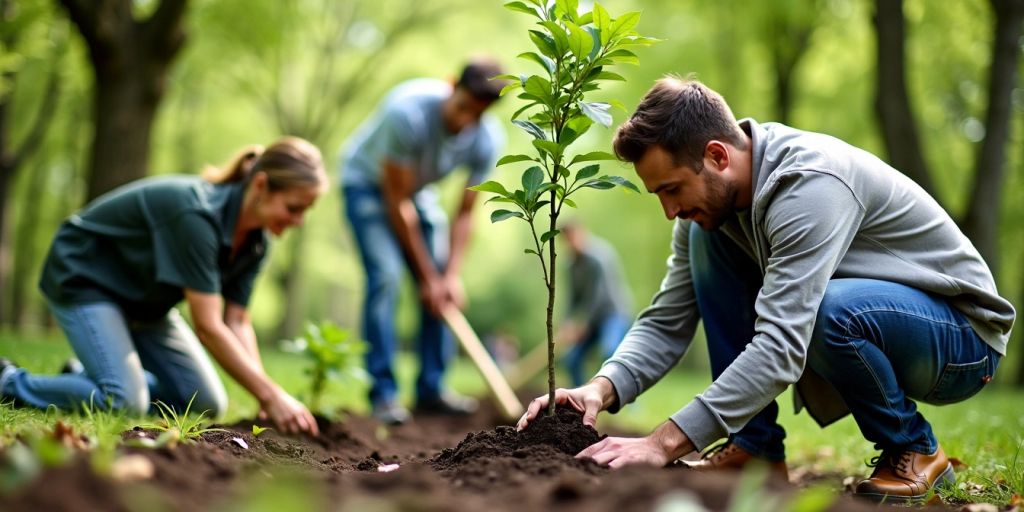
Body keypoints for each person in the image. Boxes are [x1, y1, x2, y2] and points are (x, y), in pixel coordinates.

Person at [517, 78, 1014, 503]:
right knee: (708, 244)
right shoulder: (707, 213)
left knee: (825, 311)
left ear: (716, 156)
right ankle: (753, 448)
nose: (668, 211)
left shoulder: (809, 185)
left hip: (961, 338)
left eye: (671, 189)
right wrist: (599, 390)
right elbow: (667, 320)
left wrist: (665, 442)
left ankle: (914, 448)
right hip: (885, 321)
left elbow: (781, 345)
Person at [0, 137, 327, 436]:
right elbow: (209, 327)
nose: (299, 221)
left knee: (204, 402)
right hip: (86, 277)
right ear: (260, 185)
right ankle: (9, 381)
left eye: (306, 212)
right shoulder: (198, 216)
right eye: (294, 208)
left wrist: (263, 395)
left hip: (145, 301)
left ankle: (86, 375)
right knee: (125, 402)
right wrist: (271, 394)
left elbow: (237, 321)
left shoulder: (257, 242)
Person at [340, 58, 507, 425]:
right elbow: (395, 200)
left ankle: (431, 389)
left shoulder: (487, 139)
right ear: (451, 85)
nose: (465, 121)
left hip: (417, 195)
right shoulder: (407, 112)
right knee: (386, 276)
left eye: (476, 116)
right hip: (367, 186)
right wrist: (427, 274)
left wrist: (448, 275)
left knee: (441, 293)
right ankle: (383, 395)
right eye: (463, 107)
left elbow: (465, 213)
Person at [559, 221, 633, 387]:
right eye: (567, 239)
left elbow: (598, 295)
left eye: (573, 237)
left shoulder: (600, 256)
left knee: (611, 353)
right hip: (592, 321)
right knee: (571, 359)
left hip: (613, 314)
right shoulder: (571, 266)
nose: (571, 243)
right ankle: (578, 400)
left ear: (582, 233)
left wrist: (584, 323)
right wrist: (567, 322)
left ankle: (627, 402)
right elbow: (572, 298)